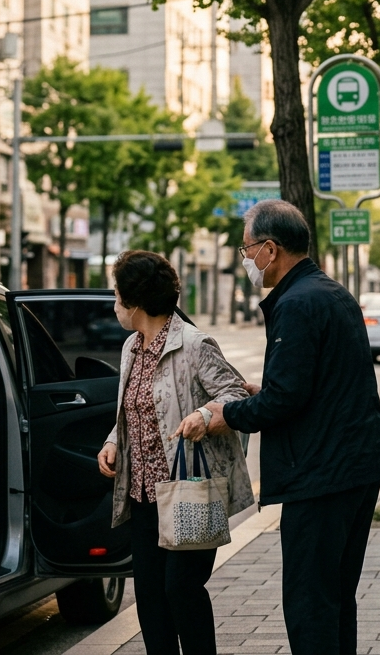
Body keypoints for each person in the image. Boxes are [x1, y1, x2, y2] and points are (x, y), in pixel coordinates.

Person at [201, 200, 380, 655]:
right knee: (335, 598)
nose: (245, 258)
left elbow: (287, 400)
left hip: (321, 473)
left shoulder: (296, 303)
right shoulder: (331, 292)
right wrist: (264, 391)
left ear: (271, 249)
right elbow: (319, 382)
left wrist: (222, 416)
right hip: (354, 468)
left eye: (247, 249)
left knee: (310, 604)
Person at [95, 250, 254, 655]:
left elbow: (236, 395)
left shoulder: (195, 344)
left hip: (190, 491)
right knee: (149, 599)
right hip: (143, 495)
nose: (115, 304)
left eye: (117, 295)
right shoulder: (132, 346)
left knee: (181, 589)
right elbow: (133, 409)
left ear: (134, 301)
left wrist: (204, 414)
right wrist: (114, 440)